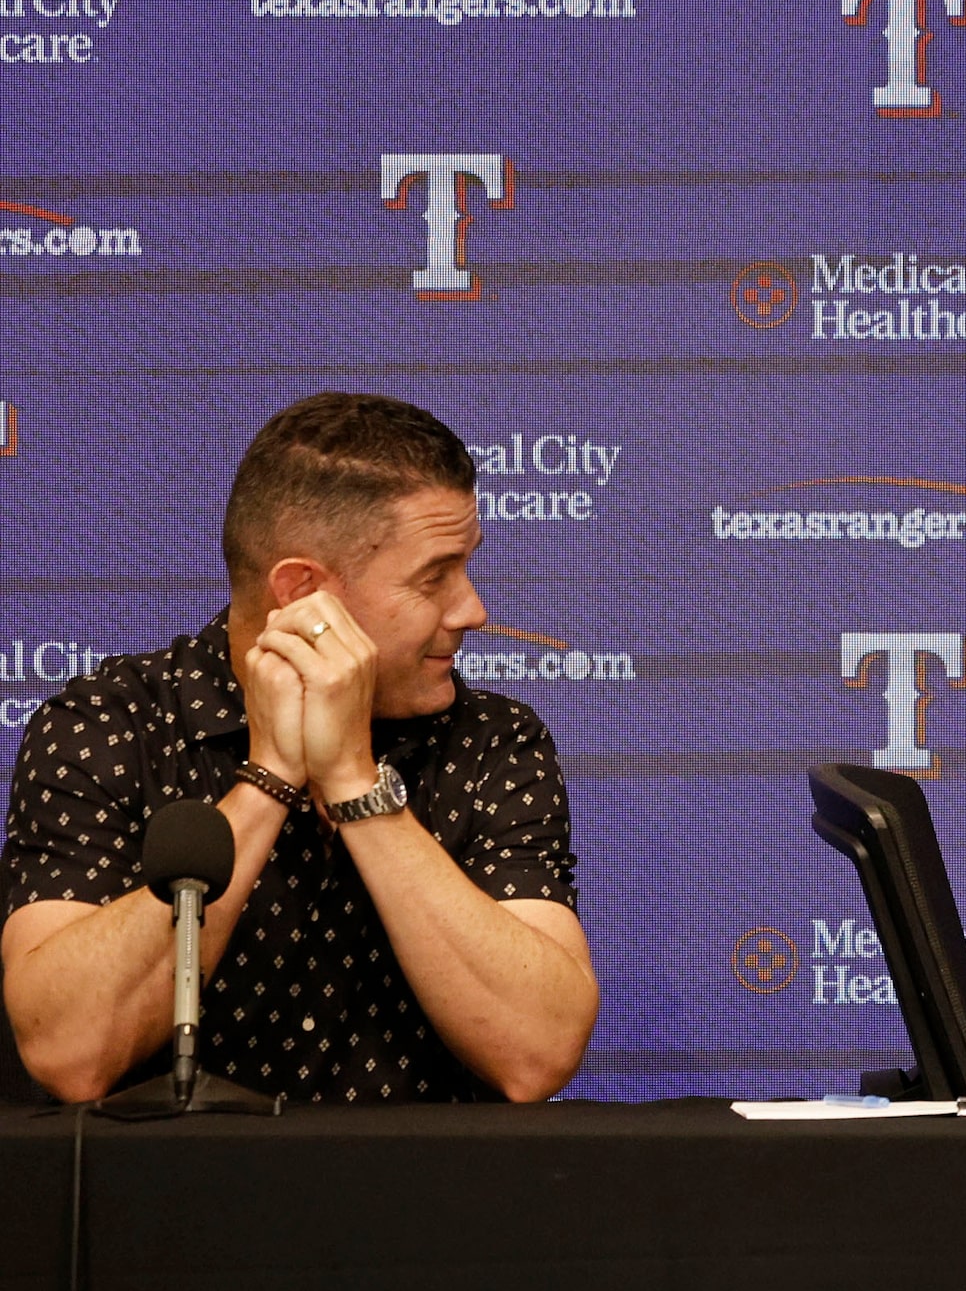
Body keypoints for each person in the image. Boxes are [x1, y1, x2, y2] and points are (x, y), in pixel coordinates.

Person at [1, 392, 598, 1103]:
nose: (473, 610)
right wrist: (269, 777)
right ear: (303, 596)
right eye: (433, 577)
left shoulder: (493, 743)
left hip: (432, 1203)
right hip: (169, 1203)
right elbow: (69, 1053)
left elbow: (537, 1053)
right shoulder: (109, 725)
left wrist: (354, 782)